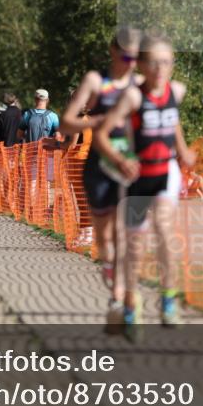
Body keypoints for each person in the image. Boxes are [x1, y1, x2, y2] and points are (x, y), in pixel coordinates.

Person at [94, 32, 196, 340]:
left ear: (173, 65)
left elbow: (173, 121)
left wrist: (183, 149)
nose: (160, 69)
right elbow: (101, 135)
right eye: (153, 63)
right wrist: (120, 159)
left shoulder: (177, 91)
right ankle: (132, 305)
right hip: (138, 177)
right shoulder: (134, 97)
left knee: (165, 231)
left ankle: (168, 300)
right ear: (141, 65)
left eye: (166, 63)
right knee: (134, 248)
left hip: (166, 172)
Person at [60, 27, 142, 330]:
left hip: (128, 167)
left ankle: (123, 302)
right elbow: (68, 121)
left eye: (137, 57)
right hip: (98, 167)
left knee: (127, 237)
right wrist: (99, 120)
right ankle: (116, 292)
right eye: (126, 56)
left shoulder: (141, 84)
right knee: (106, 242)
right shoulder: (96, 82)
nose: (131, 62)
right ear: (112, 52)